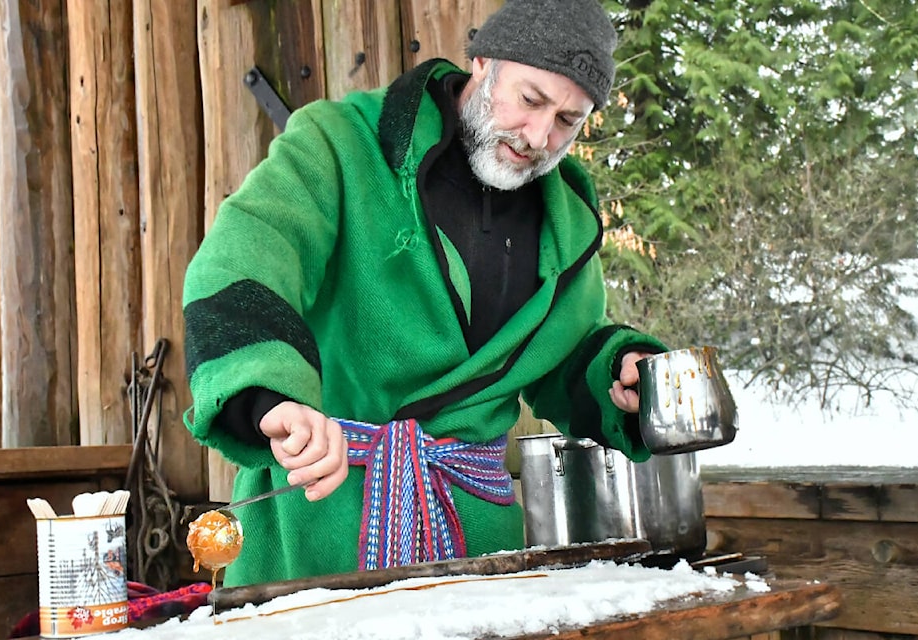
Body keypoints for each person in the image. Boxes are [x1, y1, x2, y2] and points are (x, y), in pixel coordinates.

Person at [182, 0, 667, 588]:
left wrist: (621, 372)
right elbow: (247, 258)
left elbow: (563, 354)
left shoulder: (568, 222)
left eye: (569, 120)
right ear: (483, 61)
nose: (540, 136)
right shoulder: (339, 146)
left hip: (476, 552)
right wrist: (273, 402)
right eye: (531, 100)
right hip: (317, 524)